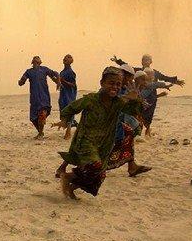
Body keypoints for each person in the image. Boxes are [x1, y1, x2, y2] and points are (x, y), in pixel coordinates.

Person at [52, 66, 139, 199]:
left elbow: (133, 110)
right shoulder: (91, 99)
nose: (114, 87)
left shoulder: (118, 103)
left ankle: (70, 186)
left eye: (118, 84)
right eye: (111, 83)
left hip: (104, 145)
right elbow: (70, 108)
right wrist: (64, 121)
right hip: (86, 141)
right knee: (95, 166)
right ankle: (68, 177)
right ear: (102, 83)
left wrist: (134, 99)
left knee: (99, 176)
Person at [18, 56, 61, 139]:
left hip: (44, 97)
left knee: (42, 115)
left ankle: (41, 133)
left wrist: (58, 82)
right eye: (34, 59)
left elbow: (55, 74)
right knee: (33, 118)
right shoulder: (29, 71)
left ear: (40, 62)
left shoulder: (44, 69)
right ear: (32, 62)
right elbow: (21, 82)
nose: (36, 60)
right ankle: (40, 132)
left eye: (37, 59)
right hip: (34, 98)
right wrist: (21, 81)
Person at [110, 54, 185, 86]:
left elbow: (165, 78)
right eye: (144, 60)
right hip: (141, 93)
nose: (146, 61)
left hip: (151, 95)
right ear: (141, 62)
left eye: (147, 60)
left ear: (151, 62)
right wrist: (117, 61)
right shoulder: (138, 71)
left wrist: (175, 81)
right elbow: (128, 67)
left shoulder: (155, 72)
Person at [138, 68, 172, 136]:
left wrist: (160, 95)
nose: (150, 76)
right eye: (147, 75)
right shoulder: (145, 85)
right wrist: (165, 86)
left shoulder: (151, 86)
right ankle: (140, 135)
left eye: (151, 75)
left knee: (147, 121)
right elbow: (157, 84)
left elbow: (153, 96)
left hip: (150, 106)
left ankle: (146, 134)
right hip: (141, 104)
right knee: (140, 120)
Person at [58, 54, 78, 140]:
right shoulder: (61, 72)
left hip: (70, 94)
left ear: (71, 61)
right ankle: (74, 124)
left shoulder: (71, 72)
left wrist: (63, 81)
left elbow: (73, 84)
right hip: (63, 94)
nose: (65, 59)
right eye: (64, 58)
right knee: (63, 111)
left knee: (69, 111)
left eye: (67, 58)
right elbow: (60, 84)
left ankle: (68, 132)